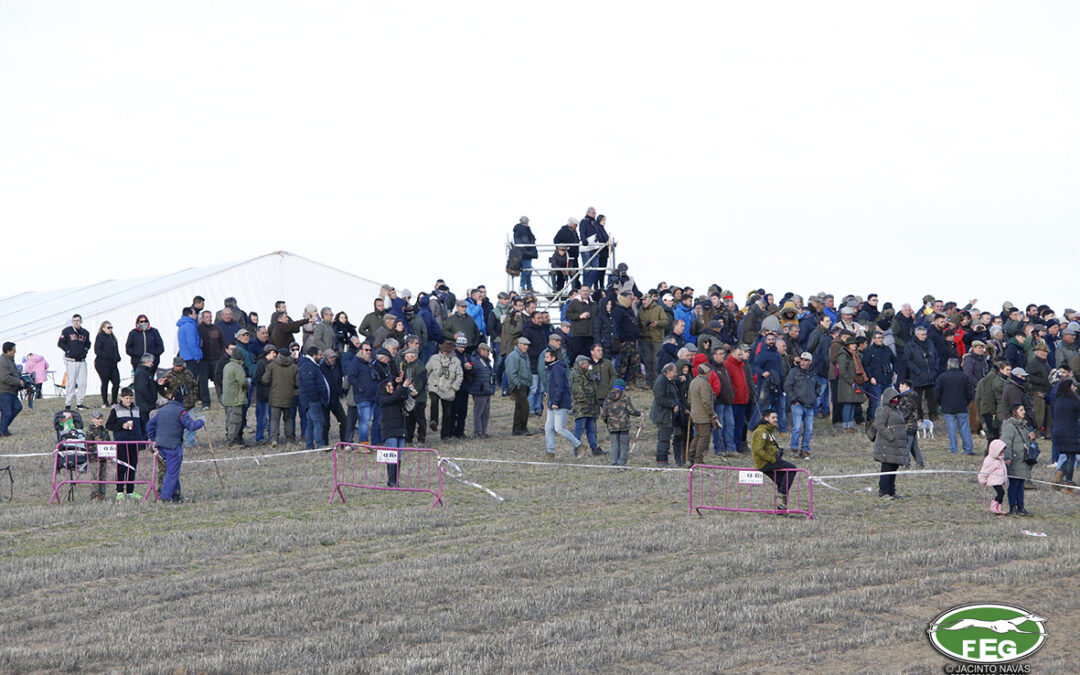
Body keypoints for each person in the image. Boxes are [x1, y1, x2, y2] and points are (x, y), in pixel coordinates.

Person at [146, 390, 205, 503]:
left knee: (172, 469)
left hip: (161, 446)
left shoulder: (162, 411)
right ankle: (165, 497)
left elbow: (149, 425)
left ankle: (176, 494)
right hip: (173, 446)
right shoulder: (181, 412)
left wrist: (153, 439)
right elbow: (191, 426)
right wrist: (201, 421)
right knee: (172, 472)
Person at [750, 409, 797, 511]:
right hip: (766, 463)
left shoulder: (768, 431)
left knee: (781, 482)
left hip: (769, 462)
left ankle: (781, 509)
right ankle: (781, 496)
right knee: (792, 469)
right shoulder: (761, 432)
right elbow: (758, 450)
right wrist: (772, 459)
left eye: (776, 417)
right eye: (773, 417)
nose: (776, 420)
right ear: (766, 418)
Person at [106, 388, 145, 499]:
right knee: (121, 467)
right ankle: (119, 492)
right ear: (121, 398)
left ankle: (130, 491)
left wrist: (142, 441)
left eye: (130, 398)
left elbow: (142, 426)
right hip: (122, 443)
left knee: (132, 467)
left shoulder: (137, 409)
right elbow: (109, 425)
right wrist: (121, 426)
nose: (129, 400)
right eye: (126, 398)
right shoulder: (116, 410)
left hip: (135, 443)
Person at [543, 347, 582, 458]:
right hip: (552, 402)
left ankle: (578, 445)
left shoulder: (557, 369)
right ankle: (550, 452)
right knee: (548, 428)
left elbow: (560, 387)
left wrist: (556, 401)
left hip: (559, 403)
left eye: (547, 357)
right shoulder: (550, 368)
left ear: (553, 358)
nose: (545, 359)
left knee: (559, 428)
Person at [872, 386, 908, 499]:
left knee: (893, 468)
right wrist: (891, 436)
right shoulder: (882, 410)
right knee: (887, 468)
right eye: (894, 398)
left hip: (897, 446)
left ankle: (892, 491)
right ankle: (883, 492)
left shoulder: (897, 410)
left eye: (897, 398)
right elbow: (880, 425)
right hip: (887, 445)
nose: (896, 400)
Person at [935, 357, 975, 455]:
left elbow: (937, 393)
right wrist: (966, 402)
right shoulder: (964, 377)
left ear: (948, 366)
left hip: (948, 407)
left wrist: (941, 403)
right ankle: (968, 448)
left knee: (951, 428)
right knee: (965, 428)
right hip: (962, 406)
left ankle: (954, 449)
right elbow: (970, 393)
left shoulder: (942, 377)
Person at [427, 340, 464, 440]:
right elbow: (427, 370)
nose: (446, 353)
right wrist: (427, 383)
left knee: (447, 412)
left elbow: (460, 376)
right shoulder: (433, 359)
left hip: (448, 388)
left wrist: (454, 387)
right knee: (434, 401)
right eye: (444, 351)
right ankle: (433, 421)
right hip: (435, 385)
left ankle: (445, 435)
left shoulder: (456, 362)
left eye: (448, 351)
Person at [1000, 403, 1033, 516]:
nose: (1024, 412)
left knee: (1020, 485)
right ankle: (1012, 507)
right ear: (1015, 412)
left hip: (1022, 460)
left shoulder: (1023, 426)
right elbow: (1006, 443)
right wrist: (1008, 457)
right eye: (1021, 410)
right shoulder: (1009, 426)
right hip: (1014, 461)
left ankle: (1021, 507)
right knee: (1014, 484)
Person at [376, 378, 411, 487]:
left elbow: (401, 396)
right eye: (389, 386)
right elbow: (394, 397)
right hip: (389, 430)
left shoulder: (396, 397)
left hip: (400, 428)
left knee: (399, 457)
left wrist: (405, 388)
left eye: (392, 386)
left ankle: (396, 481)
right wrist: (403, 387)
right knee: (392, 456)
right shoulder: (382, 398)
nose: (391, 388)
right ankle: (391, 481)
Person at [263, 346, 299, 447]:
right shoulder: (294, 367)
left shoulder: (271, 366)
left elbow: (265, 380)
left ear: (279, 355)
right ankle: (289, 439)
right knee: (288, 419)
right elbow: (298, 383)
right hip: (289, 397)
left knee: (274, 419)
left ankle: (274, 439)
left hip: (275, 397)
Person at [784, 352, 816, 459]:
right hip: (798, 404)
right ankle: (794, 449)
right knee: (796, 428)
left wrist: (815, 397)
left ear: (810, 362)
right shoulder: (794, 372)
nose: (803, 362)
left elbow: (818, 386)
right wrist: (794, 400)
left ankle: (805, 449)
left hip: (810, 405)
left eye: (806, 360)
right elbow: (788, 386)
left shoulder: (813, 373)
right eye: (802, 359)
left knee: (809, 429)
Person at [600, 379, 640, 466]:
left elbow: (604, 414)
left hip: (612, 426)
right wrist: (639, 414)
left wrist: (607, 422)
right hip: (624, 426)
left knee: (614, 445)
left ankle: (614, 462)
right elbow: (631, 410)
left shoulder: (607, 399)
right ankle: (622, 463)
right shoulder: (625, 398)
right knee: (624, 446)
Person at [1050, 378, 1080, 491]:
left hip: (1058, 432)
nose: (1075, 388)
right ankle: (1068, 483)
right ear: (1069, 388)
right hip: (1070, 432)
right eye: (1073, 386)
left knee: (1069, 456)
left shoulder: (1058, 400)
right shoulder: (1074, 401)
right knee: (1072, 457)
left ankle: (1059, 477)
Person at [570, 355, 604, 455]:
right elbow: (578, 392)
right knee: (579, 430)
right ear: (581, 364)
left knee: (591, 429)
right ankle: (577, 450)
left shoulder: (586, 374)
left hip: (590, 407)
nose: (588, 365)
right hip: (582, 407)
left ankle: (595, 449)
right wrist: (588, 401)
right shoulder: (576, 375)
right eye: (585, 363)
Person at [298, 346, 330, 449]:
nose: (321, 357)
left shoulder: (312, 365)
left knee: (311, 423)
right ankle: (319, 444)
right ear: (313, 355)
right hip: (312, 400)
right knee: (318, 421)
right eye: (320, 355)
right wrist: (316, 398)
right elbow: (309, 384)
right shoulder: (308, 366)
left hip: (312, 400)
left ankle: (310, 445)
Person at [688, 363, 719, 467]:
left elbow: (689, 399)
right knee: (704, 438)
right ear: (706, 373)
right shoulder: (704, 384)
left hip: (695, 415)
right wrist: (713, 414)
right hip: (703, 416)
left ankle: (690, 459)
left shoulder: (694, 382)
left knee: (697, 436)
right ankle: (698, 460)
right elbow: (706, 402)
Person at [58, 314, 91, 409]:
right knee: (71, 382)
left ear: (81, 321)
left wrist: (85, 350)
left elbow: (88, 344)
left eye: (78, 320)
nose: (76, 322)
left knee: (82, 382)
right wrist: (68, 350)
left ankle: (79, 403)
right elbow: (60, 343)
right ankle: (68, 403)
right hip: (71, 361)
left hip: (82, 361)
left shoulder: (85, 333)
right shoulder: (67, 331)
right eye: (74, 321)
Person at [651, 363, 680, 466]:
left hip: (667, 415)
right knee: (663, 439)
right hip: (663, 416)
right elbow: (659, 399)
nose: (676, 373)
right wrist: (672, 404)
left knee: (666, 438)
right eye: (674, 371)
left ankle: (664, 460)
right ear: (668, 372)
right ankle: (661, 461)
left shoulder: (668, 381)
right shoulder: (661, 382)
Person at [504, 336, 533, 436]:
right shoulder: (514, 356)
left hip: (524, 384)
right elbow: (511, 372)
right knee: (524, 407)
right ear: (519, 345)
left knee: (519, 408)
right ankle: (522, 427)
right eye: (525, 345)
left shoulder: (524, 355)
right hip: (519, 385)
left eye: (527, 345)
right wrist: (517, 384)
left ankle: (517, 428)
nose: (526, 347)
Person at [836, 337, 865, 432]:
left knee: (853, 403)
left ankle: (850, 424)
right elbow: (842, 371)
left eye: (855, 344)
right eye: (852, 344)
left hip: (856, 381)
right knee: (847, 404)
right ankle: (846, 425)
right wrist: (851, 381)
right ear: (848, 345)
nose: (854, 346)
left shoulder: (857, 355)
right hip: (846, 384)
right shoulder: (843, 355)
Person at [0, 342, 29, 437]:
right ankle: (3, 431)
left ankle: (2, 428)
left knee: (17, 407)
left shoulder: (10, 360)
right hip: (4, 391)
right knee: (7, 412)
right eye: (13, 349)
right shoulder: (3, 361)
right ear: (8, 351)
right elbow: (4, 377)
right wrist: (18, 382)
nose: (15, 351)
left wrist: (23, 381)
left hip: (11, 391)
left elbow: (14, 374)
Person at [400, 346, 428, 444]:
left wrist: (415, 391)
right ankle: (409, 438)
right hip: (410, 397)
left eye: (406, 356)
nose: (405, 358)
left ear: (413, 357)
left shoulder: (419, 366)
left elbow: (422, 381)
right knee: (410, 419)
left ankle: (421, 438)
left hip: (418, 398)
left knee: (420, 419)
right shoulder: (407, 366)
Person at [467, 343, 495, 438]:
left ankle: (484, 431)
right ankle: (478, 432)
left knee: (486, 412)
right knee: (479, 412)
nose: (488, 353)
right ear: (482, 350)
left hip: (486, 390)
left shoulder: (485, 361)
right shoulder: (475, 360)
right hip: (480, 390)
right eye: (487, 351)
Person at [222, 348, 249, 446]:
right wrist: (248, 385)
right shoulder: (237, 367)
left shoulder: (227, 366)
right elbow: (243, 382)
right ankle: (232, 441)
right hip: (236, 399)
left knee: (230, 420)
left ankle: (230, 438)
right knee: (235, 421)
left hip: (227, 399)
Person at [83, 410, 112, 501]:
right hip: (94, 458)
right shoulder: (90, 431)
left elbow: (109, 442)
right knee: (95, 477)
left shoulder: (104, 430)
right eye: (97, 418)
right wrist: (97, 450)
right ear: (93, 419)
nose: (100, 420)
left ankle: (102, 495)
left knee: (103, 477)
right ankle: (94, 495)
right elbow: (88, 444)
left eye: (101, 418)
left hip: (104, 458)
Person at [897, 380, 925, 469]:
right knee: (914, 446)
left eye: (902, 386)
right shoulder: (911, 396)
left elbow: (905, 412)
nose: (900, 388)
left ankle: (905, 464)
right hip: (913, 425)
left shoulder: (907, 398)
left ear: (907, 387)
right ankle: (920, 463)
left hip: (908, 425)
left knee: (906, 446)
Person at [93, 321, 121, 407]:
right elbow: (97, 350)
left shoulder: (112, 337)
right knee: (105, 382)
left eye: (111, 327)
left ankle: (114, 401)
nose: (110, 329)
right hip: (103, 364)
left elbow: (115, 349)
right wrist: (107, 356)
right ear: (103, 328)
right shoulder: (100, 337)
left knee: (116, 382)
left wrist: (118, 357)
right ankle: (105, 402)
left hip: (113, 364)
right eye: (108, 327)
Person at [978, 439, 1009, 516]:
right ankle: (993, 506)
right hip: (994, 481)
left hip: (999, 480)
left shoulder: (1000, 459)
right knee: (1001, 492)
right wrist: (982, 481)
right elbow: (984, 471)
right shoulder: (990, 460)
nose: (1002, 453)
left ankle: (999, 508)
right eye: (1001, 451)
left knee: (1002, 493)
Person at [253, 345, 276, 444]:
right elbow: (257, 378)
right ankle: (259, 437)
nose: (275, 354)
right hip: (263, 395)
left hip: (272, 395)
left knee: (272, 418)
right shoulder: (261, 363)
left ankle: (272, 437)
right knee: (262, 418)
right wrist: (266, 381)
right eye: (273, 353)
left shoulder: (274, 363)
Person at [512, 216, 538, 291]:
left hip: (523, 253)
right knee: (527, 270)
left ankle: (529, 287)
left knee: (527, 270)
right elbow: (526, 242)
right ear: (526, 222)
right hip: (526, 253)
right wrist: (531, 248)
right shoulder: (523, 230)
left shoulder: (518, 230)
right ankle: (523, 286)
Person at [176, 306, 202, 378]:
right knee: (192, 379)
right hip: (191, 357)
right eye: (194, 313)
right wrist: (197, 356)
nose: (196, 315)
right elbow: (192, 343)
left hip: (185, 356)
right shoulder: (190, 326)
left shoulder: (182, 325)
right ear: (190, 315)